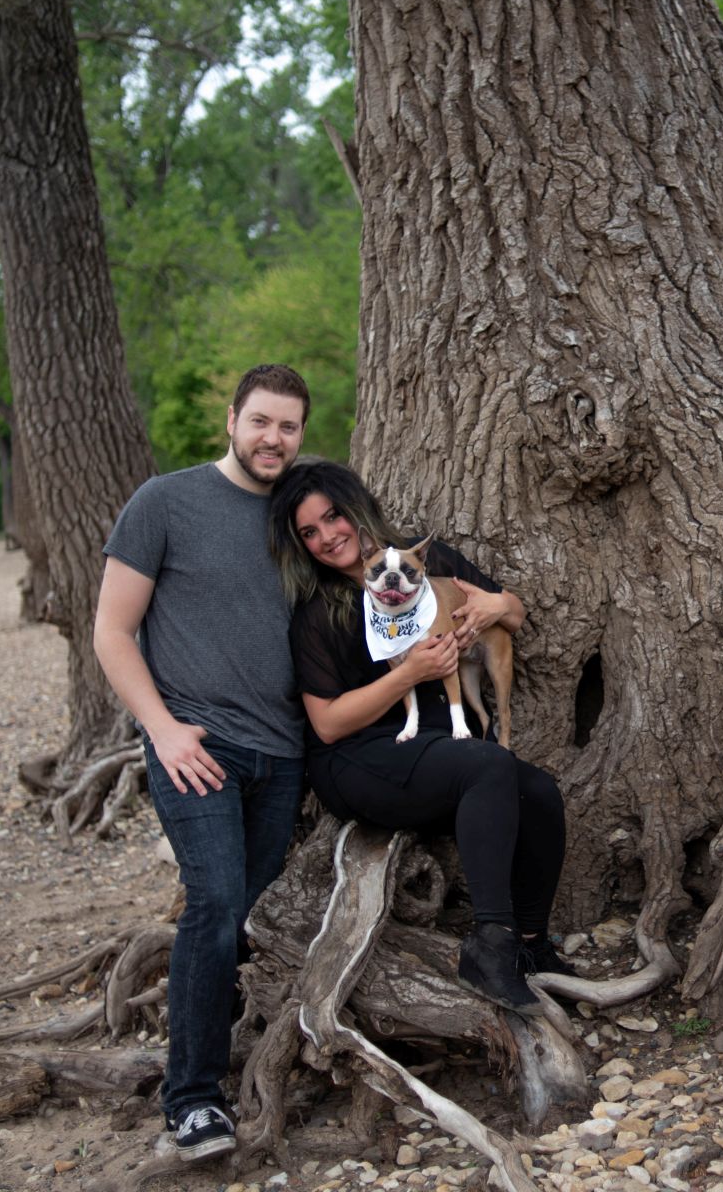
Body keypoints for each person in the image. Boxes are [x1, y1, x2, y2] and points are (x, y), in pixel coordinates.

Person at [92, 364, 310, 1162]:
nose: (272, 438)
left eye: (288, 426)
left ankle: (245, 1049)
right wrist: (163, 731)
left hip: (284, 757)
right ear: (232, 419)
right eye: (261, 421)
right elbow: (112, 632)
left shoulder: (301, 513)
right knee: (215, 904)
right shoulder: (165, 502)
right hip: (197, 747)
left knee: (248, 916)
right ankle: (192, 1100)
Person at [267, 458, 570, 1015]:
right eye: (308, 532)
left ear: (355, 509)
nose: (327, 537)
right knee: (487, 766)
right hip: (361, 757)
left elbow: (511, 613)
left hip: (442, 743)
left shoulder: (420, 562)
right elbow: (328, 723)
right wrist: (410, 673)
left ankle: (532, 947)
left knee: (541, 793)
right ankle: (490, 948)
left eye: (333, 517)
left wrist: (499, 604)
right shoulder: (319, 612)